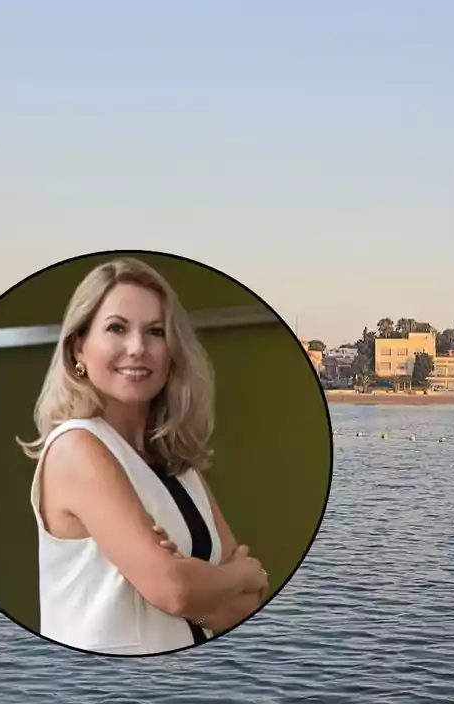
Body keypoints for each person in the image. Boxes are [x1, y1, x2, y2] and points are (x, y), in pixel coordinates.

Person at [17, 257, 269, 655]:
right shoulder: (75, 447)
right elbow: (173, 590)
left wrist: (194, 582)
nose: (138, 348)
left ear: (172, 352)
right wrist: (227, 576)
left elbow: (248, 603)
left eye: (155, 332)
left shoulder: (178, 462)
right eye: (116, 328)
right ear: (79, 346)